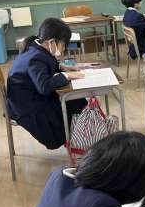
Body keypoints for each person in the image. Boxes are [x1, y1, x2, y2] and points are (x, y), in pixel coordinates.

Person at [7, 18, 86, 150]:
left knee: (76, 101)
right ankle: (79, 140)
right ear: (52, 42)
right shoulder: (35, 58)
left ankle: (81, 137)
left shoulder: (35, 47)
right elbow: (44, 87)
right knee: (73, 103)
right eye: (63, 45)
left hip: (27, 99)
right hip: (28, 108)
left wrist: (61, 67)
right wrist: (67, 75)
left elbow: (44, 67)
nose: (64, 48)